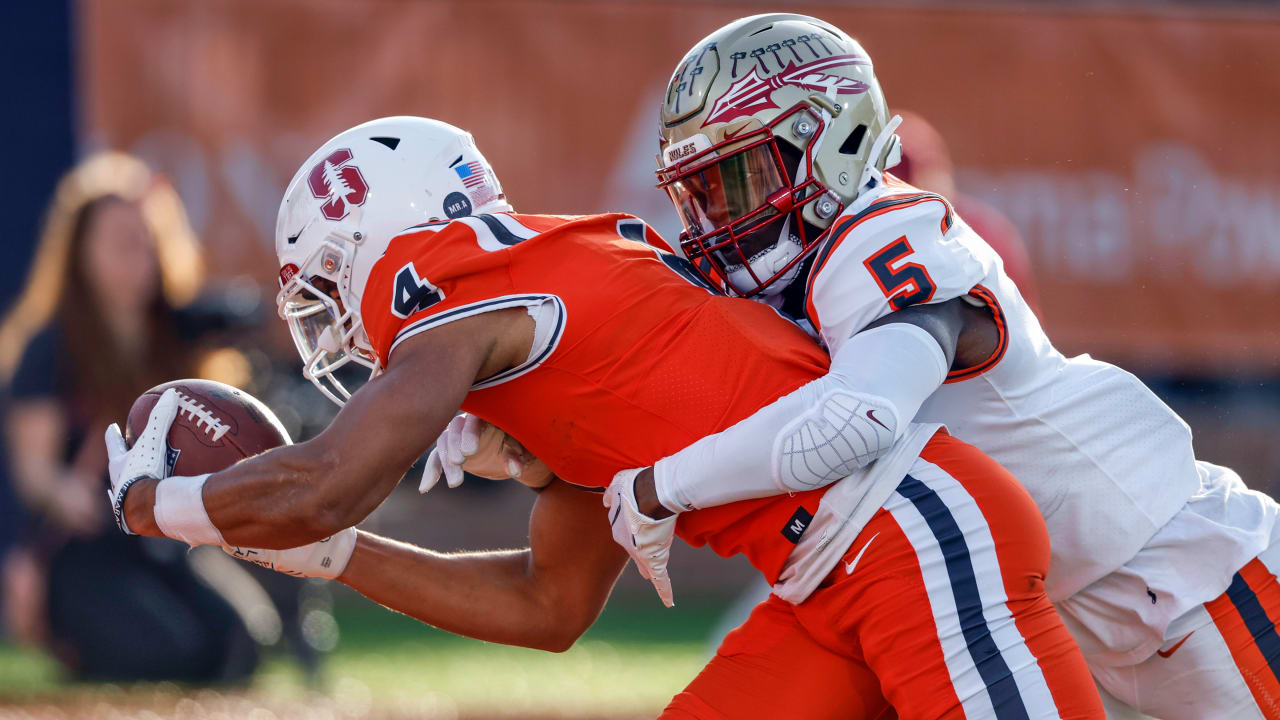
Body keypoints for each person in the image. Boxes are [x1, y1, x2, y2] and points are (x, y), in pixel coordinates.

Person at [106, 116, 1104, 719]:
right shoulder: (549, 315)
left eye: (334, 281)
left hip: (913, 541)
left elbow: (330, 479)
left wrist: (169, 504)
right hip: (825, 582)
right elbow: (550, 607)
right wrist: (337, 558)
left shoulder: (451, 282)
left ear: (382, 241)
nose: (345, 327)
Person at [450, 13, 1270, 720]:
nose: (718, 219)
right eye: (699, 192)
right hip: (1041, 601)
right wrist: (522, 430)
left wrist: (660, 486)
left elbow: (858, 418)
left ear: (830, 140)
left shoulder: (886, 232)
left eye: (738, 178)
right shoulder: (780, 278)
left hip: (1185, 569)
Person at [0, 152, 258, 682]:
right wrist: (64, 493)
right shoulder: (51, 346)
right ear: (80, 253)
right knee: (165, 653)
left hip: (161, 539)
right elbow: (35, 473)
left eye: (145, 242)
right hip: (87, 546)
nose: (136, 258)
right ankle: (74, 642)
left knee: (239, 644)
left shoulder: (177, 335)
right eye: (120, 242)